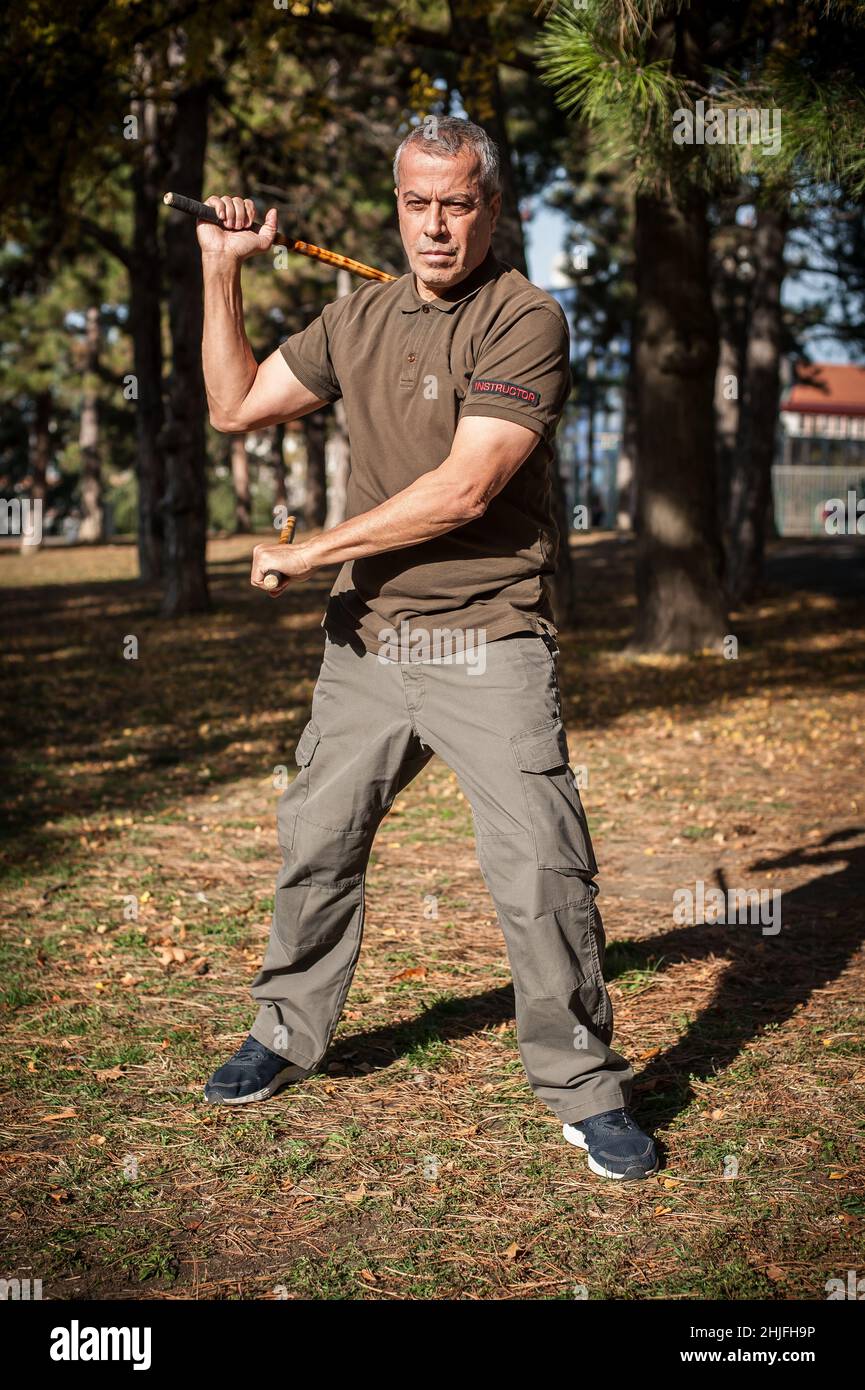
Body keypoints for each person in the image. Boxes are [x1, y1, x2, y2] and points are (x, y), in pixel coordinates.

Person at [198, 116, 657, 1181]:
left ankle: (586, 1091)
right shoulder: (355, 315)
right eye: (417, 203)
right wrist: (222, 270)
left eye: (457, 202)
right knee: (317, 839)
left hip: (489, 636)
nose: (436, 225)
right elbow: (232, 408)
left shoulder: (524, 319)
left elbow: (467, 485)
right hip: (367, 644)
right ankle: (283, 1030)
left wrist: (316, 549)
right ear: (394, 205)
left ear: (492, 208)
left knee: (541, 869)